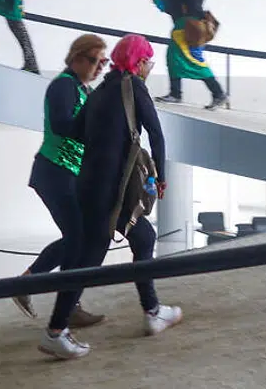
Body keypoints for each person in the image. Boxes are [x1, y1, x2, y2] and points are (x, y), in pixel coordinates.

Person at [39, 35, 182, 360]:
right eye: (148, 62)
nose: (148, 68)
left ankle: (152, 311)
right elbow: (156, 134)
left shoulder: (101, 90)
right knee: (91, 258)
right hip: (111, 189)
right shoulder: (133, 86)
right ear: (140, 62)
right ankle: (55, 331)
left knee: (141, 238)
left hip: (89, 184)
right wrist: (160, 176)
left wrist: (106, 137)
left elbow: (75, 130)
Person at [13, 34, 110, 327]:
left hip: (68, 173)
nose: (100, 67)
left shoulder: (82, 89)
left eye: (104, 61)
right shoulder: (64, 85)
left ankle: (49, 293)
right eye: (94, 60)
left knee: (79, 238)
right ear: (76, 58)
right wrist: (96, 133)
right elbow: (62, 125)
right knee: (78, 238)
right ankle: (60, 301)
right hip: (55, 171)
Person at [155, 0, 228, 109]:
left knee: (190, 58)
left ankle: (217, 93)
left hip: (188, 21)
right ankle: (176, 93)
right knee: (175, 57)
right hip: (186, 20)